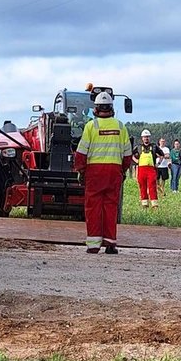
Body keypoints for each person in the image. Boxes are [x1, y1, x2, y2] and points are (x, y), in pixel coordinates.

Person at [74, 91, 132, 254]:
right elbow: (127, 155)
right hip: (114, 172)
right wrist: (123, 170)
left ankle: (93, 244)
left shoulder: (91, 126)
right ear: (111, 108)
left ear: (96, 109)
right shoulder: (121, 126)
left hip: (95, 173)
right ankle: (110, 243)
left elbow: (81, 153)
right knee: (111, 207)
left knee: (93, 207)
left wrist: (81, 170)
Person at [132, 129, 165, 208]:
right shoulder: (138, 147)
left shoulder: (154, 146)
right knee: (142, 186)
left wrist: (158, 163)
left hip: (151, 169)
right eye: (144, 137)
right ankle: (145, 204)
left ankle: (155, 205)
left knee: (152, 186)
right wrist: (136, 160)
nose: (146, 138)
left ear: (149, 138)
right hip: (141, 170)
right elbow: (131, 154)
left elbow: (162, 155)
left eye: (147, 137)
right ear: (142, 138)